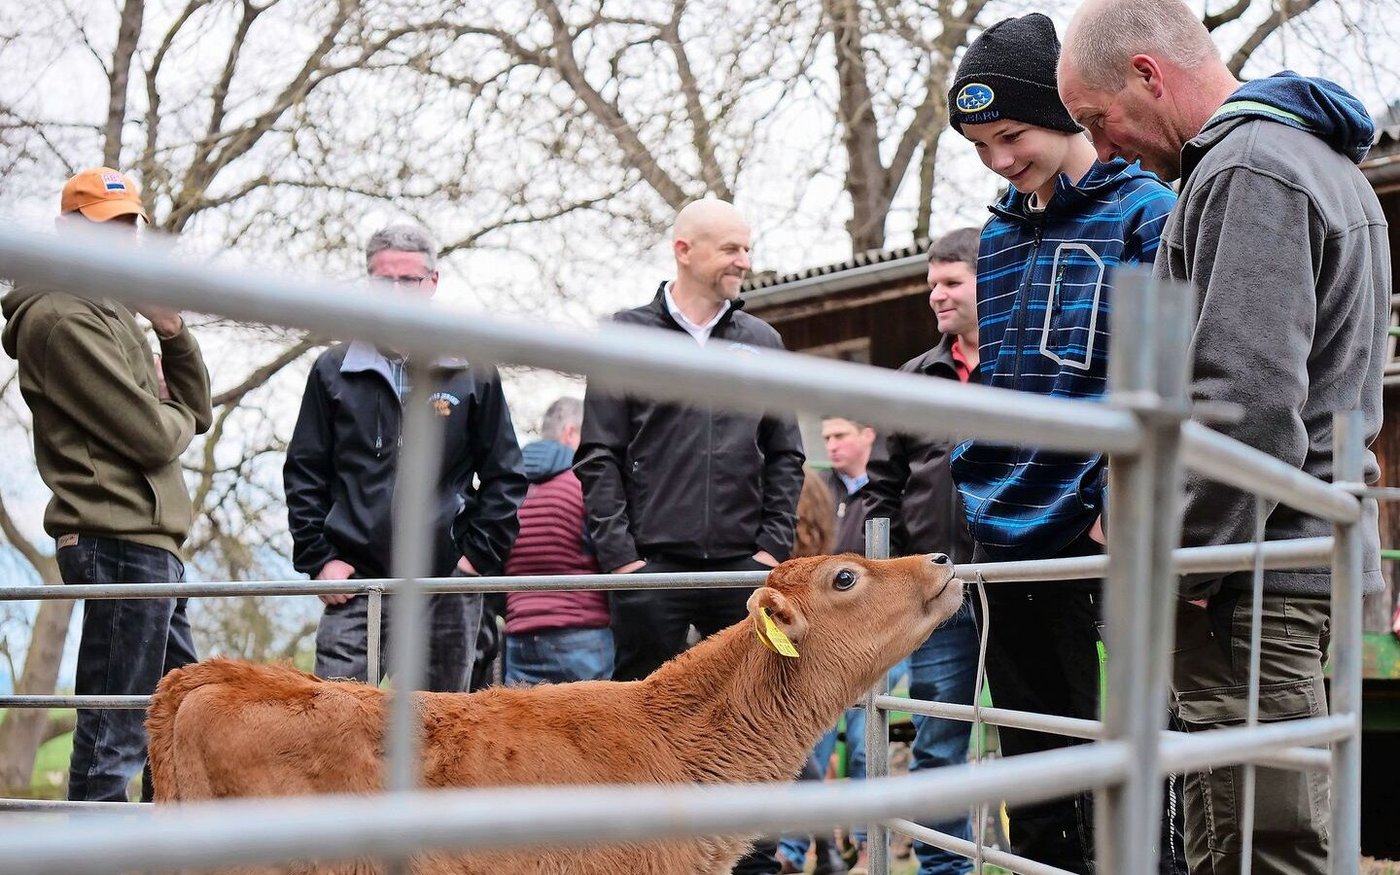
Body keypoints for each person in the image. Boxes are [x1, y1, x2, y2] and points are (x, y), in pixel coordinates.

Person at [1059, 2, 1388, 871]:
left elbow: (1246, 401)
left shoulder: (1248, 171)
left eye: (1098, 119)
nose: (1104, 149)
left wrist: (1186, 561)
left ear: (1147, 74)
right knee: (1228, 823)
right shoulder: (1306, 161)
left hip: (1253, 571)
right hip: (1284, 552)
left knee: (1263, 838)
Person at [943, 13, 1181, 873]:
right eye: (979, 145)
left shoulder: (1149, 214)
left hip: (1093, 532)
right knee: (1034, 770)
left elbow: (1159, 384)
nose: (1000, 160)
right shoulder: (1000, 235)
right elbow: (1004, 383)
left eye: (1012, 134)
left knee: (1121, 762)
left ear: (1065, 113)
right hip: (1003, 532)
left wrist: (1117, 503)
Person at [576, 197, 805, 875]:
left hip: (741, 566)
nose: (745, 261)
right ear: (684, 250)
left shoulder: (762, 342)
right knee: (634, 716)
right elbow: (600, 453)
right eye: (731, 249)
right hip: (651, 567)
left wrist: (768, 549)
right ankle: (631, 857)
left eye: (746, 247)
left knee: (760, 713)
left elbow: (786, 451)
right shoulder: (626, 334)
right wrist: (621, 558)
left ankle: (753, 862)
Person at [1, 167, 212, 802]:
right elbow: (154, 435)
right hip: (115, 533)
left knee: (179, 721)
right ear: (67, 231)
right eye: (101, 227)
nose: (118, 241)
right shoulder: (63, 317)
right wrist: (166, 410)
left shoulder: (114, 309)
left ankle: (162, 856)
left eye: (127, 227)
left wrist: (172, 332)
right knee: (116, 727)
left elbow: (195, 411)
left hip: (152, 541)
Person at [284, 223, 527, 693]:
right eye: (384, 281)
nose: (396, 292)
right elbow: (304, 472)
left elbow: (506, 476)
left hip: (445, 584)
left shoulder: (472, 371)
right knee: (334, 724)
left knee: (439, 734)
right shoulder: (334, 371)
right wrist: (319, 559)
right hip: (355, 587)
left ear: (432, 283)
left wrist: (474, 559)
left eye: (409, 281)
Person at [864, 228, 984, 875]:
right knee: (940, 745)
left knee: (1036, 736)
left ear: (985, 279)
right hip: (939, 592)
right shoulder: (913, 379)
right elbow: (882, 490)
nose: (936, 295)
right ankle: (946, 870)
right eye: (931, 284)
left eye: (950, 282)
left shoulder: (1022, 365)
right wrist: (896, 580)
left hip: (1020, 579)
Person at [502, 396, 613, 685]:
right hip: (582, 635)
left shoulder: (510, 490)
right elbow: (609, 551)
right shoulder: (583, 485)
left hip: (520, 637)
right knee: (591, 727)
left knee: (523, 728)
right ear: (570, 432)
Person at [820, 415, 878, 555]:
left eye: (840, 436)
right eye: (827, 438)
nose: (831, 446)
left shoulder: (888, 489)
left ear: (868, 435)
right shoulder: (818, 487)